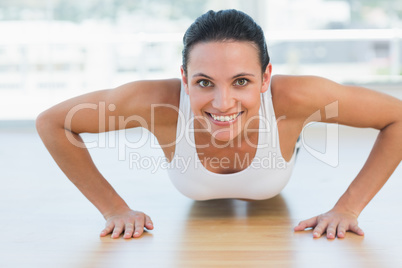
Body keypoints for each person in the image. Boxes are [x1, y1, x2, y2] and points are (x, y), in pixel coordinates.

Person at [36, 9, 402, 240]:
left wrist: (348, 208)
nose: (222, 103)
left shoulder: (298, 96)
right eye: (204, 82)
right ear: (184, 77)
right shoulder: (152, 102)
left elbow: (397, 118)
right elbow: (53, 123)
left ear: (265, 77)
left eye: (241, 81)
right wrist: (113, 208)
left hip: (278, 163)